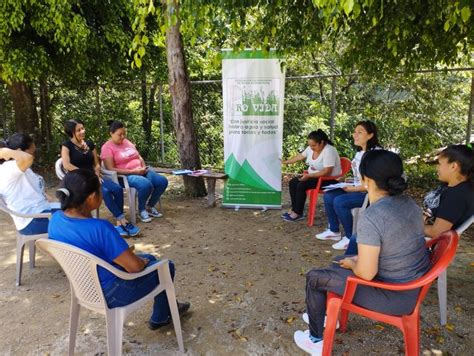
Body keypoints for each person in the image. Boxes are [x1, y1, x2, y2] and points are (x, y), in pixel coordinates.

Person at [294, 150, 430, 355]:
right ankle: (326, 317)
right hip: (409, 288)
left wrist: (353, 263)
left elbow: (366, 273)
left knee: (315, 277)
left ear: (366, 179)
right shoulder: (410, 204)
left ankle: (315, 340)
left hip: (391, 296)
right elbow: (394, 244)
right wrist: (353, 260)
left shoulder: (374, 215)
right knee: (340, 260)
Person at [48, 169, 190, 329]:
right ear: (91, 197)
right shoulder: (100, 228)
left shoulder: (55, 220)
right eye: (100, 191)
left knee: (149, 260)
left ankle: (166, 310)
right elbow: (134, 268)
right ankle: (161, 316)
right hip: (112, 294)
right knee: (165, 265)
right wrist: (140, 261)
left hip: (83, 288)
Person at [61, 119, 140, 237]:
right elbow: (66, 165)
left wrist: (97, 172)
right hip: (79, 180)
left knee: (117, 188)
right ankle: (123, 221)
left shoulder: (89, 143)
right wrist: (86, 174)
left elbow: (97, 163)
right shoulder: (67, 145)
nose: (82, 131)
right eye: (78, 130)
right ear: (72, 132)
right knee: (105, 192)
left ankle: (119, 223)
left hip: (94, 177)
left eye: (82, 128)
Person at [316, 121, 381, 250]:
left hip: (372, 194)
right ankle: (334, 231)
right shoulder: (359, 153)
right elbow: (360, 177)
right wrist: (348, 181)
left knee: (340, 201)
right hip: (359, 189)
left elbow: (374, 183)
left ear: (370, 135)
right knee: (329, 195)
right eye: (354, 132)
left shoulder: (376, 154)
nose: (355, 135)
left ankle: (350, 237)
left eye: (360, 132)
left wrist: (353, 188)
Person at [101, 120, 168, 223]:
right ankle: (141, 210)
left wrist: (143, 167)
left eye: (124, 133)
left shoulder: (127, 142)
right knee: (146, 185)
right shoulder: (107, 147)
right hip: (125, 176)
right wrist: (134, 171)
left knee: (162, 181)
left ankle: (149, 206)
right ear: (111, 133)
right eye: (120, 134)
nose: (123, 136)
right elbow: (111, 169)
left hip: (141, 171)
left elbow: (139, 156)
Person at [0, 133, 59, 234]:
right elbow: (27, 158)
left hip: (39, 214)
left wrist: (47, 197)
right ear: (19, 152)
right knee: (75, 224)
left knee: (76, 213)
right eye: (32, 152)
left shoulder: (18, 167)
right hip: (32, 221)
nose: (33, 156)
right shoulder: (8, 168)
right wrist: (6, 152)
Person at [282, 129, 342, 222]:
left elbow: (327, 172)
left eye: (313, 145)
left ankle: (298, 213)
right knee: (293, 182)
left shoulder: (329, 150)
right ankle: (295, 209)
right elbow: (300, 156)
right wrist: (285, 162)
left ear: (321, 142)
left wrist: (309, 176)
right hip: (314, 177)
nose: (311, 147)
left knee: (302, 185)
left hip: (328, 179)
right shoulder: (310, 148)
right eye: (310, 145)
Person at [424, 144, 474, 238]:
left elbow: (437, 232)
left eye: (439, 163)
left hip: (423, 245)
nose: (437, 168)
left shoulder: (458, 195)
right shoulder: (453, 187)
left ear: (453, 166)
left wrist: (411, 227)